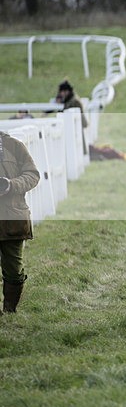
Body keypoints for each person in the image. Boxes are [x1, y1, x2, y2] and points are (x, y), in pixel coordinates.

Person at [0, 131, 40, 314]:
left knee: (14, 270)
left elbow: (33, 175)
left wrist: (11, 185)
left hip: (12, 220)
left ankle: (10, 310)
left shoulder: (14, 145)